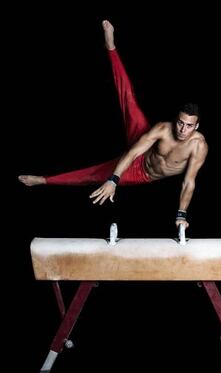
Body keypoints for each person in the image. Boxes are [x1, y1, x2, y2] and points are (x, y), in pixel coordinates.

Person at [18, 20, 208, 229]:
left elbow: (189, 182)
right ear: (176, 120)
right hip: (140, 147)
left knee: (92, 175)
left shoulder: (198, 147)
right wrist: (114, 180)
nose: (182, 129)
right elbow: (133, 152)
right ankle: (111, 47)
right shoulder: (163, 129)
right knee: (129, 100)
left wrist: (181, 214)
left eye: (189, 126)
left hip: (141, 174)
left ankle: (44, 180)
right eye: (180, 123)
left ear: (196, 127)